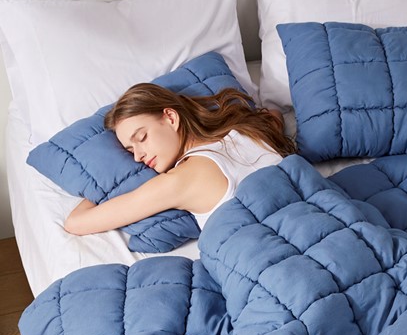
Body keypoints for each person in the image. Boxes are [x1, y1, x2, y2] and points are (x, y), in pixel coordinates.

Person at [64, 83, 296, 236]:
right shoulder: (246, 129)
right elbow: (274, 114)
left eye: (142, 138)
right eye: (129, 150)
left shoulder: (180, 181)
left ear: (171, 117)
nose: (137, 156)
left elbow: (76, 223)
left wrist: (100, 182)